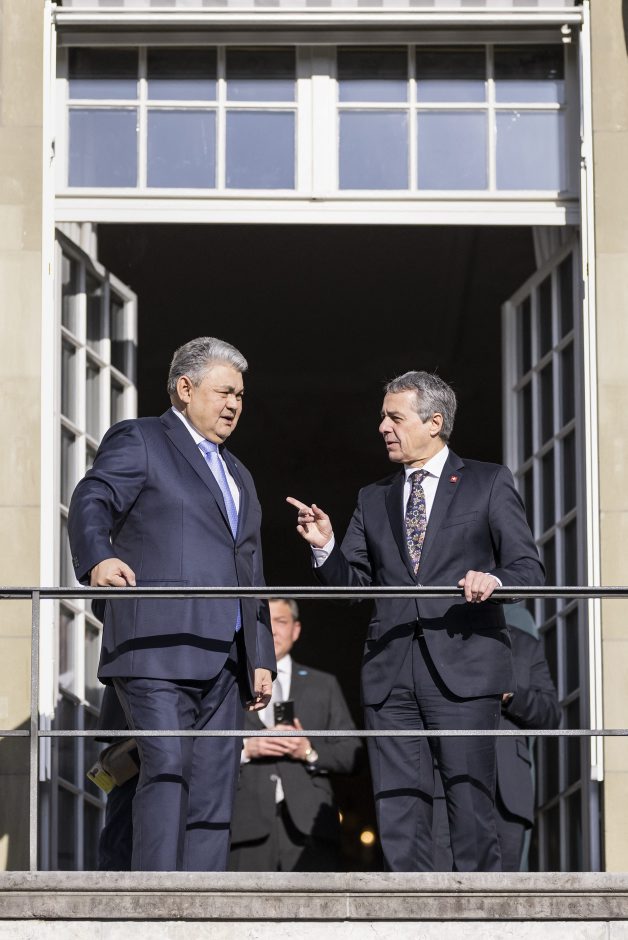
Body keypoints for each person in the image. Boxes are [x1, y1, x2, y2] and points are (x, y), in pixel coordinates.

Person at [287, 370, 544, 872]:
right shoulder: (372, 497)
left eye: (394, 417)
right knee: (399, 808)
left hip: (466, 668)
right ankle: (406, 906)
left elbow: (528, 569)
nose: (383, 427)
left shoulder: (488, 481)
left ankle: (477, 910)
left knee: (470, 804)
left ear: (434, 422)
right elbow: (353, 587)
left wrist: (493, 579)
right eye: (383, 417)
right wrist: (325, 547)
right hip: (391, 673)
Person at [68, 336, 275, 872]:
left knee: (213, 784)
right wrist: (97, 559)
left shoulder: (239, 474)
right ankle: (156, 899)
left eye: (240, 395)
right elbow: (92, 496)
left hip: (225, 659)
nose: (234, 404)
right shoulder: (141, 439)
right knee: (165, 764)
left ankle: (202, 902)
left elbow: (249, 567)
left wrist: (261, 655)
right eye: (224, 392)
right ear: (185, 388)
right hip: (155, 646)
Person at [229, 598, 361, 872]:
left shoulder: (323, 685)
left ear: (296, 629)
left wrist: (309, 751)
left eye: (281, 622)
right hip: (244, 824)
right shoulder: (230, 685)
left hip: (311, 826)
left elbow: (353, 754)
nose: (273, 631)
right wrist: (246, 749)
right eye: (265, 622)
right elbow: (203, 748)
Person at [432, 604, 560, 871]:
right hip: (450, 780)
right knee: (443, 878)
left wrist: (511, 694)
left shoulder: (525, 644)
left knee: (505, 887)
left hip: (508, 790)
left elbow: (550, 713)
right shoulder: (442, 638)